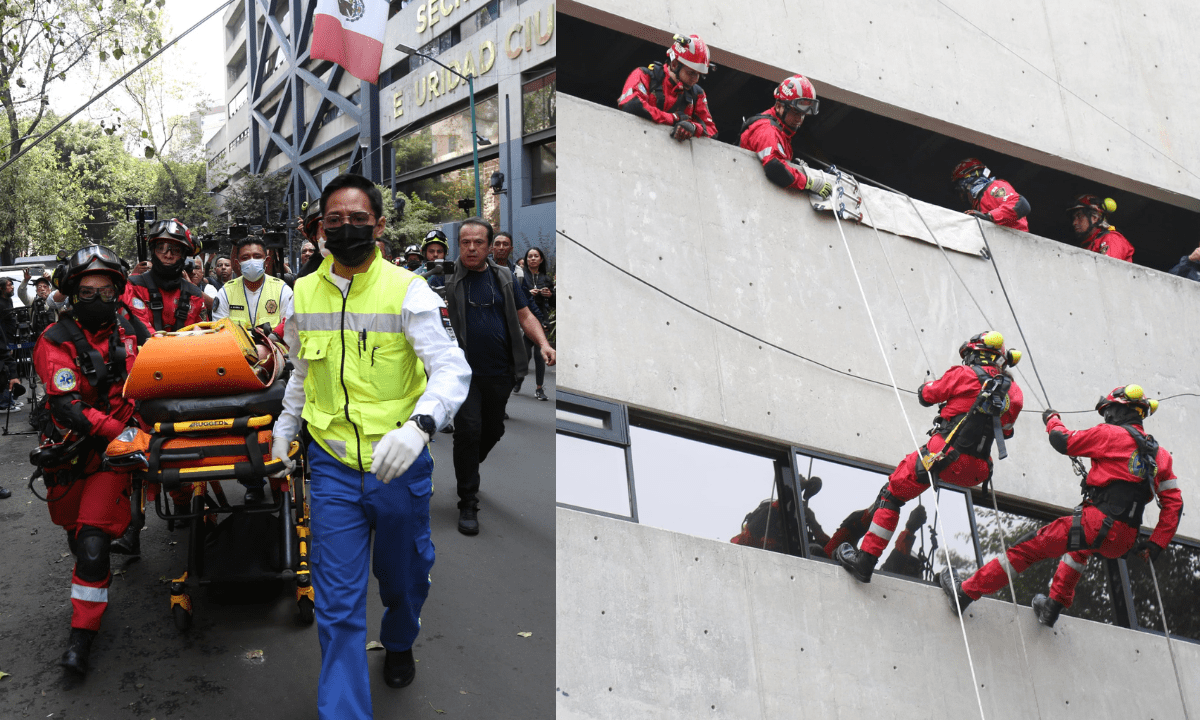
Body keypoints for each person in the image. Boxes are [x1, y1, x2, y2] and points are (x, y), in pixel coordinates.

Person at [271, 173, 470, 718]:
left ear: (379, 226)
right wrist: (288, 425)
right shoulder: (303, 292)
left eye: (358, 220)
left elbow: (451, 369)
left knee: (404, 581)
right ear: (319, 230)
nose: (346, 229)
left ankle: (400, 639)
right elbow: (301, 370)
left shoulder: (408, 289)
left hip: (399, 467)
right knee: (337, 609)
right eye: (334, 221)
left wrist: (420, 426)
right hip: (332, 468)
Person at [940, 385, 1183, 628]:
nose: (1106, 416)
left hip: (1097, 522)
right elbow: (1174, 503)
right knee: (1078, 551)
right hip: (1125, 539)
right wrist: (1157, 542)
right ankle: (1052, 607)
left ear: (1120, 410)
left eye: (1108, 411)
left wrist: (1052, 420)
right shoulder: (1161, 455)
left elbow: (1061, 440)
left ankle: (965, 593)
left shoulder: (1111, 434)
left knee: (1027, 548)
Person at [32, 245, 143, 676]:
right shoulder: (53, 341)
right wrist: (122, 431)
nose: (96, 299)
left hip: (112, 456)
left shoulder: (133, 328)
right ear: (71, 294)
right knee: (76, 536)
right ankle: (91, 577)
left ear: (118, 291)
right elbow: (67, 408)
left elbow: (160, 365)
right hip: (69, 450)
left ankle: (82, 636)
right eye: (86, 291)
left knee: (94, 546)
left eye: (105, 290)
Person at [834, 331, 1023, 583]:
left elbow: (926, 395)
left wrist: (929, 384)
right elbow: (1006, 431)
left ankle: (865, 561)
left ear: (975, 355)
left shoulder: (963, 374)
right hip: (978, 470)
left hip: (944, 456)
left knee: (892, 494)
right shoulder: (1014, 392)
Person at [444, 217, 556, 536]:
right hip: (463, 374)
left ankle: (469, 464)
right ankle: (468, 501)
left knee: (492, 430)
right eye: (465, 242)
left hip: (500, 371)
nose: (471, 247)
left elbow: (524, 314)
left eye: (479, 242)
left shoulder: (504, 276)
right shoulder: (447, 277)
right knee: (468, 429)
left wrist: (544, 343)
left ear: (490, 245)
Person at [212, 236, 295, 504]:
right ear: (237, 263)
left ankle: (278, 479)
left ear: (267, 260)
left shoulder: (282, 290)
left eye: (256, 256)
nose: (251, 262)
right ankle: (252, 483)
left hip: (275, 359)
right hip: (237, 365)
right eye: (245, 257)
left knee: (273, 423)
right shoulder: (226, 292)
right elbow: (219, 331)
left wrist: (266, 344)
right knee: (239, 426)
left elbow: (290, 327)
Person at [739, 74, 834, 199]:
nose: (799, 119)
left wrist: (792, 165)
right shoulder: (768, 130)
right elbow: (774, 167)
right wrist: (808, 183)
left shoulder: (781, 130)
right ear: (779, 106)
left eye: (803, 114)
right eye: (795, 112)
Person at [618, 33, 717, 141]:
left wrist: (692, 127)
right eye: (691, 73)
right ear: (674, 64)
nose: (695, 79)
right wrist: (674, 118)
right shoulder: (644, 75)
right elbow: (631, 105)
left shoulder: (697, 93)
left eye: (699, 74)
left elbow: (711, 130)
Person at [122, 219, 206, 334]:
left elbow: (204, 333)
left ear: (183, 255)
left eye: (175, 250)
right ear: (153, 250)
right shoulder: (134, 286)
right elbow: (139, 325)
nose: (168, 255)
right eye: (161, 248)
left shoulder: (194, 294)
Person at [514, 247, 553, 401]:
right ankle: (519, 379)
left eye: (536, 256)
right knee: (525, 354)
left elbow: (554, 302)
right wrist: (527, 294)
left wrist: (549, 295)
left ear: (541, 259)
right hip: (525, 317)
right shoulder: (521, 277)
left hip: (541, 318)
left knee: (539, 354)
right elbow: (516, 295)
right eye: (530, 256)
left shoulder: (546, 278)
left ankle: (539, 389)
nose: (533, 259)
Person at [950, 158, 1031, 231]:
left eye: (960, 190)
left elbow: (1022, 205)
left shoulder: (992, 187)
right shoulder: (979, 204)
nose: (961, 195)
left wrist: (989, 216)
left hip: (1016, 241)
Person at [1068, 194, 1133, 262]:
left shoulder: (1111, 238)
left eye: (1079, 216)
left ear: (1094, 218)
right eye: (1074, 218)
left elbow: (1107, 269)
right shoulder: (1089, 244)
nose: (1074, 222)